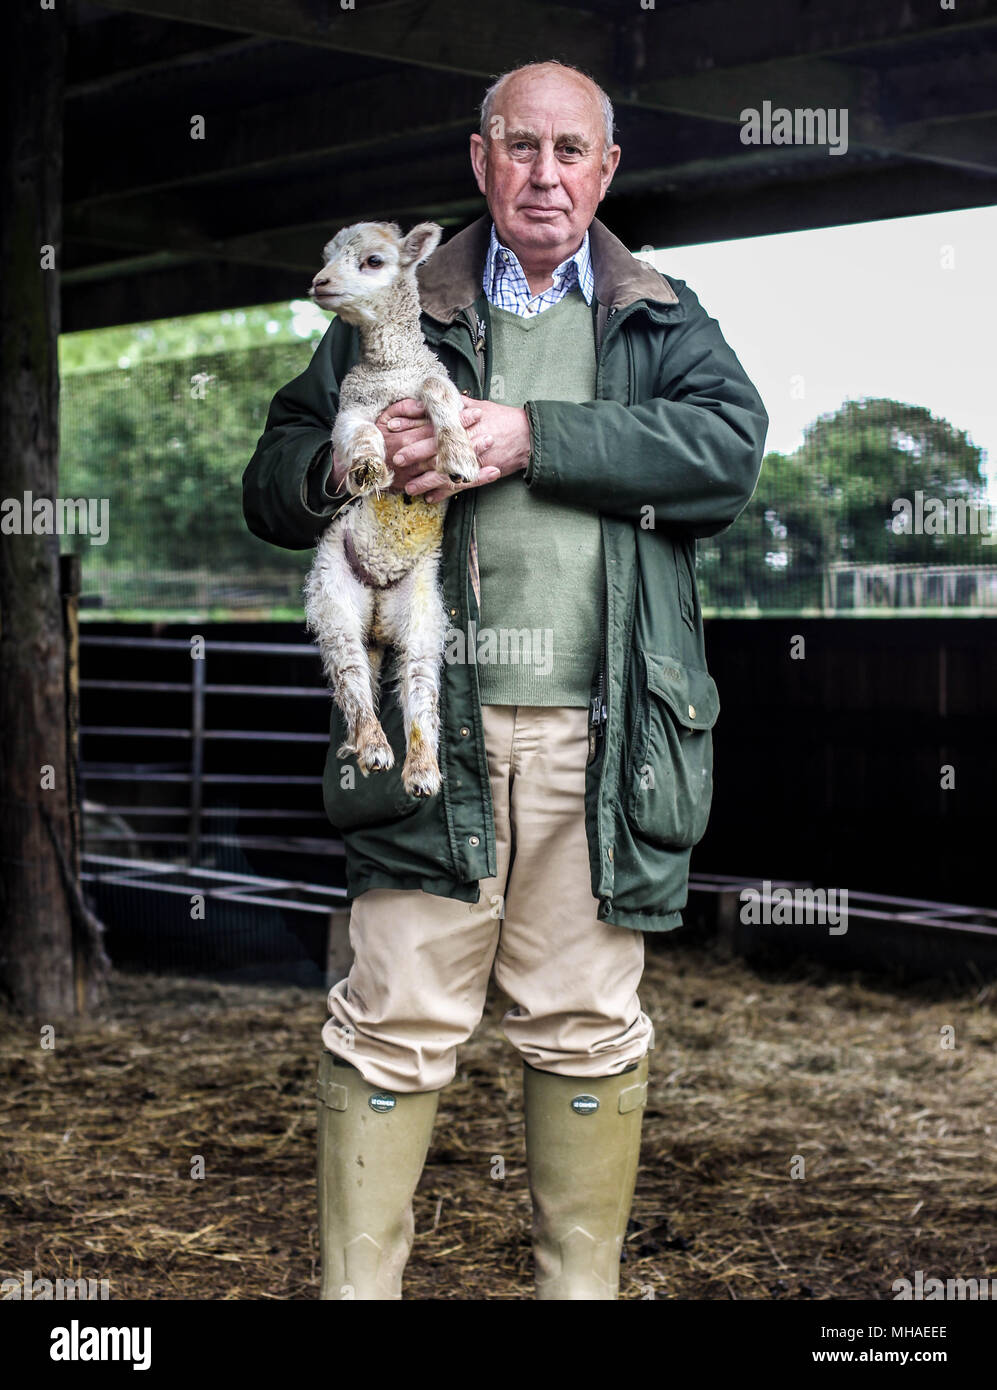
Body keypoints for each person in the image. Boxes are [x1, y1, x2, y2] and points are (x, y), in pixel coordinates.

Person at [243, 59, 768, 1301]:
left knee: (585, 1024)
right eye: (519, 147)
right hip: (444, 732)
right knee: (394, 1017)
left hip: (609, 732)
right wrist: (350, 460)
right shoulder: (393, 308)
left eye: (570, 151)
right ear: (479, 160)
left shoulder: (657, 312)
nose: (545, 174)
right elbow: (270, 478)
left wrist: (530, 434)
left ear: (605, 171)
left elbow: (726, 454)